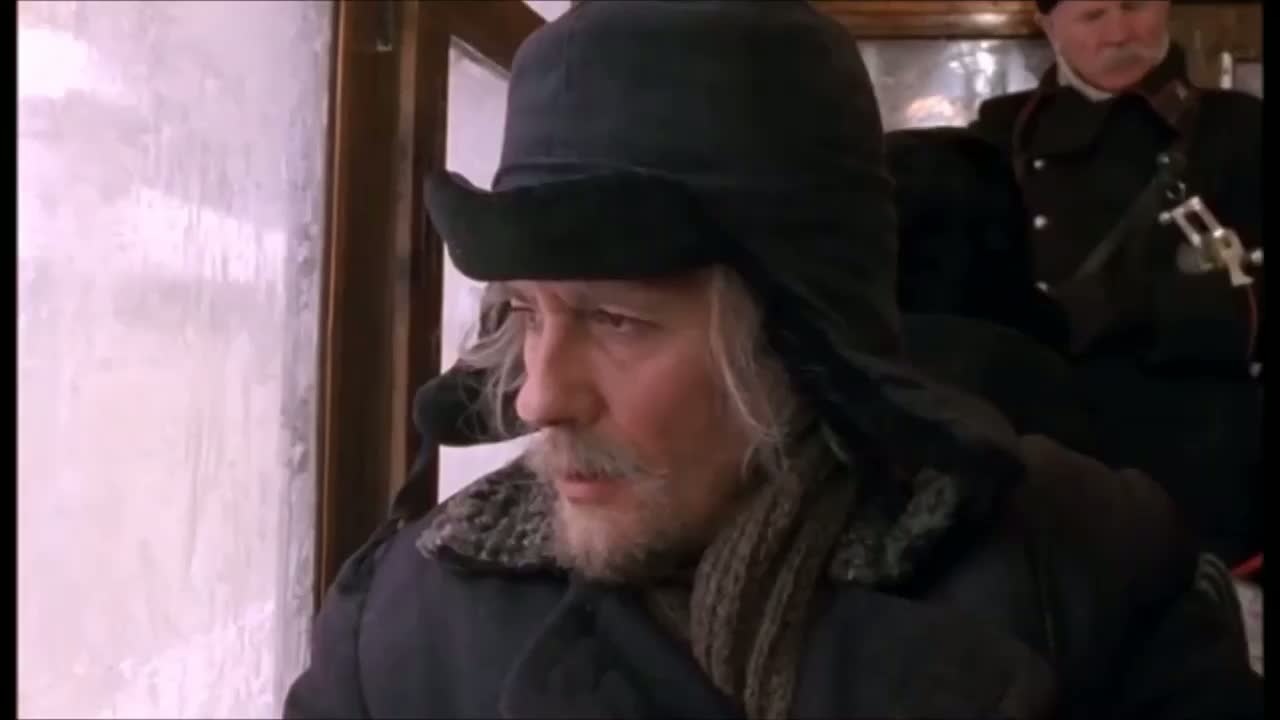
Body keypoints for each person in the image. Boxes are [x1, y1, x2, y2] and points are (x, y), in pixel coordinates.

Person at [284, 3, 1260, 718]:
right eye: (526, 313)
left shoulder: (1084, 584)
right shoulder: (401, 635)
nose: (539, 394)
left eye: (616, 319)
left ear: (799, 336)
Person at [969, 0, 1263, 568]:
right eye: (1093, 15)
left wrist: (1125, 308)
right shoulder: (1002, 132)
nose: (1120, 32)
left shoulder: (1239, 128)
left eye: (1134, 5)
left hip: (1199, 464)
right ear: (1047, 25)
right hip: (1046, 466)